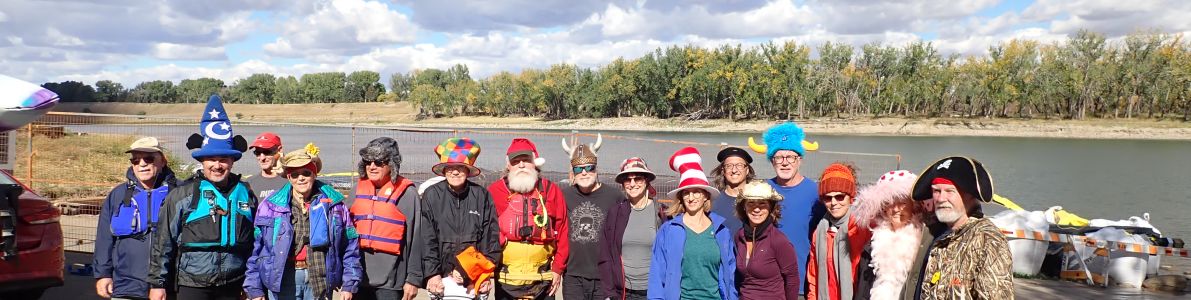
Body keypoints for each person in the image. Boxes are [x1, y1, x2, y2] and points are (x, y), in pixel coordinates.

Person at [148, 95, 256, 300]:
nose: (217, 165)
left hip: (234, 284)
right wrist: (157, 284)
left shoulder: (246, 194)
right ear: (202, 162)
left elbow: (254, 243)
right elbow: (163, 242)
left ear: (232, 161)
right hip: (192, 284)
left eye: (223, 159)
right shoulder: (182, 195)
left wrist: (252, 283)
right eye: (211, 160)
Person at [244, 144, 362, 300]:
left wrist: (349, 283)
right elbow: (258, 248)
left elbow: (350, 246)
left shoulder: (335, 205)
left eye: (306, 173)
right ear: (288, 177)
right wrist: (254, 287)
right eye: (295, 174)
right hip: (282, 279)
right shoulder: (270, 206)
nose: (300, 178)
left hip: (320, 279)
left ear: (314, 174)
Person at [911, 157, 1013, 300]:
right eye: (936, 191)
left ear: (970, 195)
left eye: (950, 191)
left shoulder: (988, 240)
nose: (941, 198)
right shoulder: (931, 232)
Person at [94, 137, 179, 300]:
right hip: (125, 286)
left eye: (148, 158)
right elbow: (104, 238)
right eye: (135, 160)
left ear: (163, 161)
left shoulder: (179, 193)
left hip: (168, 288)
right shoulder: (118, 195)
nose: (142, 164)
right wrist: (103, 274)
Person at [647, 147, 737, 300]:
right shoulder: (668, 230)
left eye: (697, 191)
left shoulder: (722, 231)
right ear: (681, 197)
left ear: (706, 196)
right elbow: (657, 274)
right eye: (686, 193)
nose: (691, 197)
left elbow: (730, 276)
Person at [417, 138, 501, 299]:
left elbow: (490, 240)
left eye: (460, 167)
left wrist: (477, 273)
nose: (455, 172)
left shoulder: (481, 196)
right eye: (450, 167)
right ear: (444, 170)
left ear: (468, 170)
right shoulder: (432, 195)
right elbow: (427, 239)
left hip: (473, 277)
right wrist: (432, 274)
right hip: (441, 277)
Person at [487, 138, 569, 300]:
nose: (521, 165)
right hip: (506, 279)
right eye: (515, 161)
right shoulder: (495, 191)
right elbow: (484, 233)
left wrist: (558, 269)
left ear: (535, 164)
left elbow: (563, 230)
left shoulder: (551, 191)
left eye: (526, 160)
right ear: (508, 166)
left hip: (543, 279)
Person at [748, 121, 823, 295]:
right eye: (779, 157)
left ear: (800, 160)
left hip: (802, 283)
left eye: (790, 157)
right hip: (766, 285)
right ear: (772, 161)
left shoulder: (816, 192)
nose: (784, 163)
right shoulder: (762, 190)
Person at [348, 137, 423, 300]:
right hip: (357, 278)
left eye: (379, 162)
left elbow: (416, 239)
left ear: (391, 164)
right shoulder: (356, 191)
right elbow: (343, 234)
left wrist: (413, 279)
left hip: (391, 283)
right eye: (368, 162)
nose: (372, 166)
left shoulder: (408, 194)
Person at [597, 157, 667, 300]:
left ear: (647, 181)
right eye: (627, 180)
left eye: (638, 178)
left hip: (654, 291)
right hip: (623, 292)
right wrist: (609, 293)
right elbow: (606, 255)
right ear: (622, 184)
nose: (632, 183)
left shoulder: (661, 213)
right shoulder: (615, 213)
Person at [851, 170, 927, 300]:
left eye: (902, 203)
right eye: (890, 203)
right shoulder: (872, 245)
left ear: (913, 205)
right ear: (883, 207)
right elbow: (863, 289)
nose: (896, 209)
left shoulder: (923, 243)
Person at [559, 134, 618, 300]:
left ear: (596, 168)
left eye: (589, 167)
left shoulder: (614, 196)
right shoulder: (564, 196)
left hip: (605, 276)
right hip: (573, 276)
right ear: (573, 171)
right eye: (578, 169)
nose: (584, 172)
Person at [806, 163, 871, 300]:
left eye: (840, 196)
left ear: (851, 197)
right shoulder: (820, 232)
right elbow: (813, 276)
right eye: (828, 198)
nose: (834, 202)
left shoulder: (864, 229)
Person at [733, 179, 799, 300]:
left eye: (762, 204)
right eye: (751, 203)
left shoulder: (778, 240)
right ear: (743, 207)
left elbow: (792, 280)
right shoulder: (739, 236)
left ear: (771, 207)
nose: (756, 209)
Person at [710, 146, 754, 234]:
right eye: (729, 166)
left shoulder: (758, 201)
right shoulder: (712, 202)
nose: (734, 170)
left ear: (747, 170)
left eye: (739, 165)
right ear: (723, 171)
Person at [245, 132, 287, 200]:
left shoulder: (292, 181)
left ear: (279, 150)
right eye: (257, 153)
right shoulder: (248, 183)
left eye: (267, 152)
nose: (262, 158)